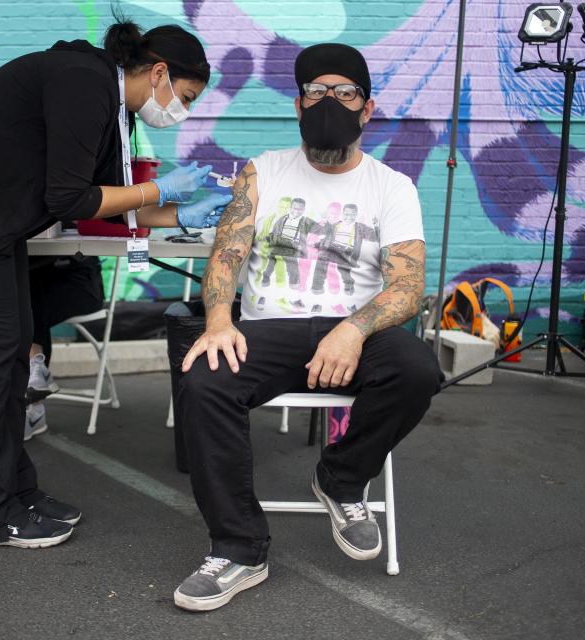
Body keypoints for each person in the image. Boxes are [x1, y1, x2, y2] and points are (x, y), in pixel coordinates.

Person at [0, 20, 231, 550]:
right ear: (159, 72)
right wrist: (157, 190)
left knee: (11, 353)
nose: (179, 110)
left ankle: (16, 492)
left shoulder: (105, 97)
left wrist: (178, 213)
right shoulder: (83, 81)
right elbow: (70, 199)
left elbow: (103, 206)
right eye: (183, 96)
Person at [172, 43, 443, 611]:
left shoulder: (391, 186)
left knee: (417, 368)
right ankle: (240, 547)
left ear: (367, 110)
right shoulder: (262, 171)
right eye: (316, 92)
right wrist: (219, 320)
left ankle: (342, 479)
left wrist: (352, 330)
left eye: (345, 93)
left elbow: (406, 287)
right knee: (204, 379)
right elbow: (226, 254)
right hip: (272, 327)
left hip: (355, 332)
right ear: (297, 104)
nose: (330, 103)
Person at [23, 254, 104, 441]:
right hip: (36, 283)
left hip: (80, 285)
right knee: (25, 292)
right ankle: (35, 381)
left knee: (27, 302)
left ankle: (35, 391)